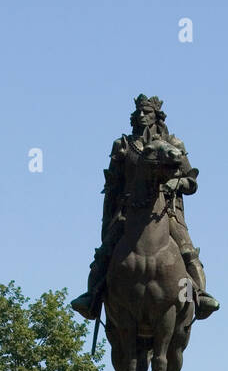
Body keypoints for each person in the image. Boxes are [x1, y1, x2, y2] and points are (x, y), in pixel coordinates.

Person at [71, 94, 219, 322]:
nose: (141, 116)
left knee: (187, 252)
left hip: (165, 211)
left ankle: (197, 296)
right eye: (139, 112)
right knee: (104, 254)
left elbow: (192, 182)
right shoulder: (123, 146)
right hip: (128, 212)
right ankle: (91, 298)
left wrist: (176, 182)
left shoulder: (174, 144)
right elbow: (112, 186)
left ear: (156, 116)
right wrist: (108, 220)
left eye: (147, 112)